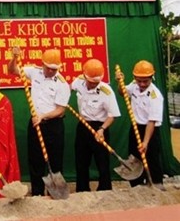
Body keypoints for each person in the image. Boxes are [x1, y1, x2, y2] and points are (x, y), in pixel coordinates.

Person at [8, 48, 70, 196]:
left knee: (55, 162)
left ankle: (53, 193)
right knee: (35, 161)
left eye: (54, 69)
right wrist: (14, 58)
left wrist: (43, 116)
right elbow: (12, 70)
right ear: (42, 65)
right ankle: (37, 193)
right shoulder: (35, 72)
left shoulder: (62, 84)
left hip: (53, 126)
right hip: (36, 124)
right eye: (48, 68)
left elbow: (60, 110)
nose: (51, 71)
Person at [71, 59, 121, 192]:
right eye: (91, 82)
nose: (93, 84)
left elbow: (113, 115)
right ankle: (82, 190)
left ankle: (105, 189)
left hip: (100, 127)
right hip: (83, 126)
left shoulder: (107, 91)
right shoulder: (78, 83)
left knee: (102, 162)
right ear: (85, 76)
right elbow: (68, 88)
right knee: (81, 161)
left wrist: (102, 129)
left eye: (96, 82)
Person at [116, 60, 165, 190]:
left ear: (151, 78)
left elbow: (152, 121)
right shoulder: (134, 85)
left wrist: (145, 142)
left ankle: (156, 184)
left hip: (150, 130)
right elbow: (123, 93)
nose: (142, 84)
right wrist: (119, 82)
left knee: (151, 157)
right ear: (135, 78)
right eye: (139, 81)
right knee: (134, 157)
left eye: (145, 81)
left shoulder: (155, 96)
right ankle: (136, 185)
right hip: (136, 127)